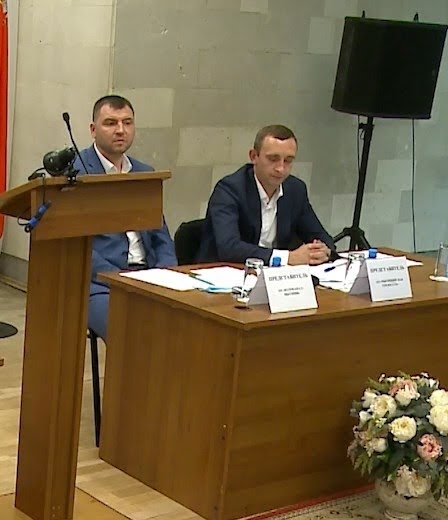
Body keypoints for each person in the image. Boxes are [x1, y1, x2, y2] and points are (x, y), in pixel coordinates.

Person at [75, 95, 177, 339]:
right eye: (111, 123)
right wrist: (122, 280)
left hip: (148, 277)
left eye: (127, 123)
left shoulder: (144, 172)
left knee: (190, 324)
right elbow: (79, 247)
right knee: (133, 331)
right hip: (100, 284)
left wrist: (165, 274)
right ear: (93, 130)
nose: (120, 130)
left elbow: (161, 236)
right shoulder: (77, 173)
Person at [198, 124, 332, 266]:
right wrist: (287, 258)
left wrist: (322, 251)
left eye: (288, 160)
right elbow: (229, 249)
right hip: (225, 273)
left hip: (275, 276)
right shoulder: (229, 190)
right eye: (273, 159)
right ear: (253, 156)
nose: (281, 168)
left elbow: (322, 238)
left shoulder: (295, 190)